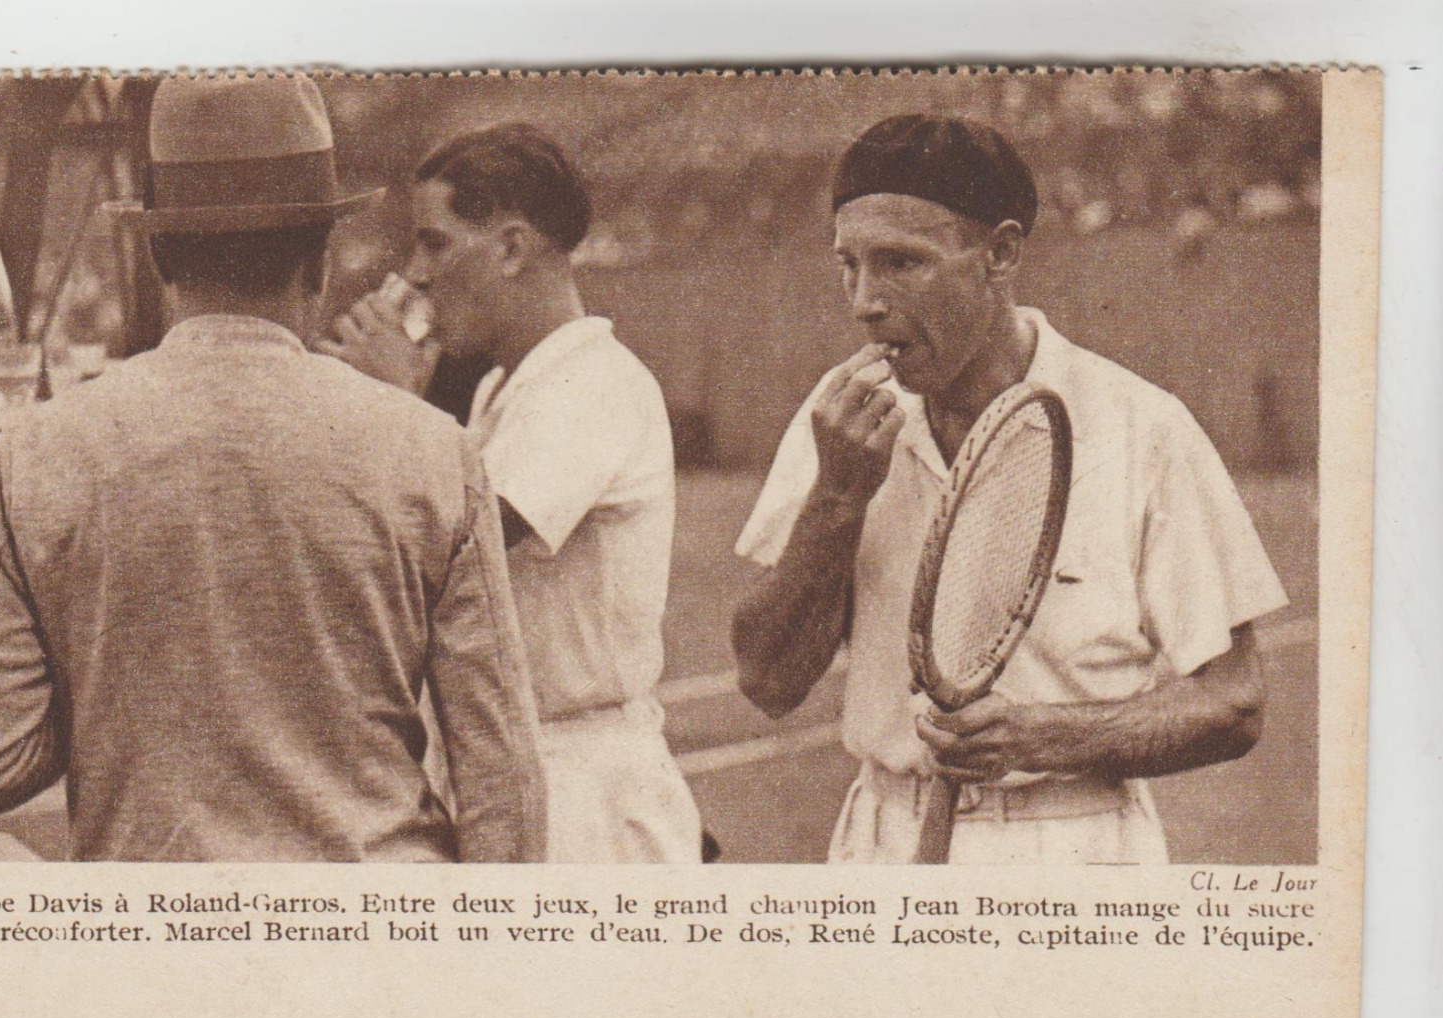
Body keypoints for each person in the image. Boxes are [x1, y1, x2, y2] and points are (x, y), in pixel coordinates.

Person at [0, 76, 547, 863]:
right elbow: (503, 786)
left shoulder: (41, 451)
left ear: (156, 253)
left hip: (162, 946)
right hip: (380, 939)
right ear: (320, 257)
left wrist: (121, 682)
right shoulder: (432, 449)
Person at [731, 114, 1288, 865]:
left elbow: (1233, 701)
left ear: (999, 253)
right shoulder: (840, 422)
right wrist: (836, 496)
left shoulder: (1140, 425)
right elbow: (767, 681)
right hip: (882, 836)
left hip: (1076, 845)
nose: (865, 299)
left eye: (900, 262)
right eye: (849, 264)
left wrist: (1048, 735)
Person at [321, 124, 703, 863]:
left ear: (509, 248)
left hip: (580, 790)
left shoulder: (596, 380)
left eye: (434, 243)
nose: (416, 273)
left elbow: (464, 549)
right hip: (510, 767)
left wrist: (396, 403)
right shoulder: (504, 387)